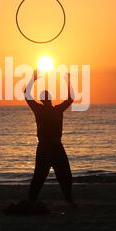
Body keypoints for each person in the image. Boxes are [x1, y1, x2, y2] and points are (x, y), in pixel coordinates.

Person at [24, 70, 75, 206]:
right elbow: (26, 94)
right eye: (44, 97)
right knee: (40, 176)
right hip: (46, 146)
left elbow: (70, 98)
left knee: (65, 174)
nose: (46, 99)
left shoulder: (56, 109)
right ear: (43, 100)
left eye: (47, 96)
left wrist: (68, 81)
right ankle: (32, 200)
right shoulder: (41, 109)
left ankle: (68, 199)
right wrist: (32, 79)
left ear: (50, 98)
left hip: (55, 146)